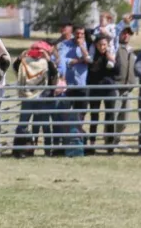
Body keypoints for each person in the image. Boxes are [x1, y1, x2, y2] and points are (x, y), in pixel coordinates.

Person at [12, 41, 58, 157]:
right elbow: (17, 69)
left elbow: (53, 73)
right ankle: (20, 150)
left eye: (40, 50)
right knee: (23, 124)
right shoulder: (25, 62)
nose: (37, 53)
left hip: (43, 97)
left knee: (45, 125)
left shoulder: (46, 63)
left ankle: (48, 150)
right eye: (35, 49)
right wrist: (19, 59)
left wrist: (48, 59)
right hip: (28, 98)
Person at [56, 25, 92, 155]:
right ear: (73, 33)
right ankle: (63, 145)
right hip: (67, 85)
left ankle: (79, 144)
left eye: (82, 34)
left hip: (81, 85)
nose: (79, 36)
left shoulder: (86, 44)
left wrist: (82, 47)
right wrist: (76, 61)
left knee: (80, 116)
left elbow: (89, 59)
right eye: (77, 34)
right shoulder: (65, 45)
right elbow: (61, 60)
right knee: (64, 116)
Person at [85, 34, 119, 153]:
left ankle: (109, 145)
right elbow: (91, 70)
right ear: (96, 45)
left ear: (107, 45)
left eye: (104, 44)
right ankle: (92, 144)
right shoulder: (93, 56)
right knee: (94, 116)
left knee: (109, 116)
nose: (102, 47)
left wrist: (111, 58)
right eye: (100, 44)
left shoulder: (111, 55)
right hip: (95, 88)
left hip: (109, 88)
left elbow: (118, 70)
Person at [108, 24, 137, 153]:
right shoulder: (114, 48)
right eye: (124, 32)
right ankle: (108, 144)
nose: (126, 35)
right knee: (112, 117)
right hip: (116, 87)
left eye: (128, 33)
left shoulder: (132, 50)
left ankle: (117, 140)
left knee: (124, 119)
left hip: (128, 88)